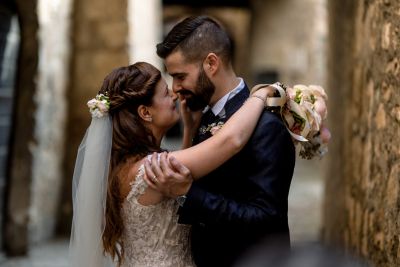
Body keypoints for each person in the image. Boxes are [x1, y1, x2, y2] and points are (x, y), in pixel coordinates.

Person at [68, 61, 277, 267]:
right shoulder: (155, 167)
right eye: (165, 93)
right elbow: (231, 141)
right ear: (145, 112)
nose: (174, 95)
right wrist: (260, 95)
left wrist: (189, 130)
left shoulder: (125, 165)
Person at [145, 15, 296, 266]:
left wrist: (189, 193)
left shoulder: (266, 125)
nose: (175, 88)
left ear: (211, 63)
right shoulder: (200, 117)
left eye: (180, 76)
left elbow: (266, 219)